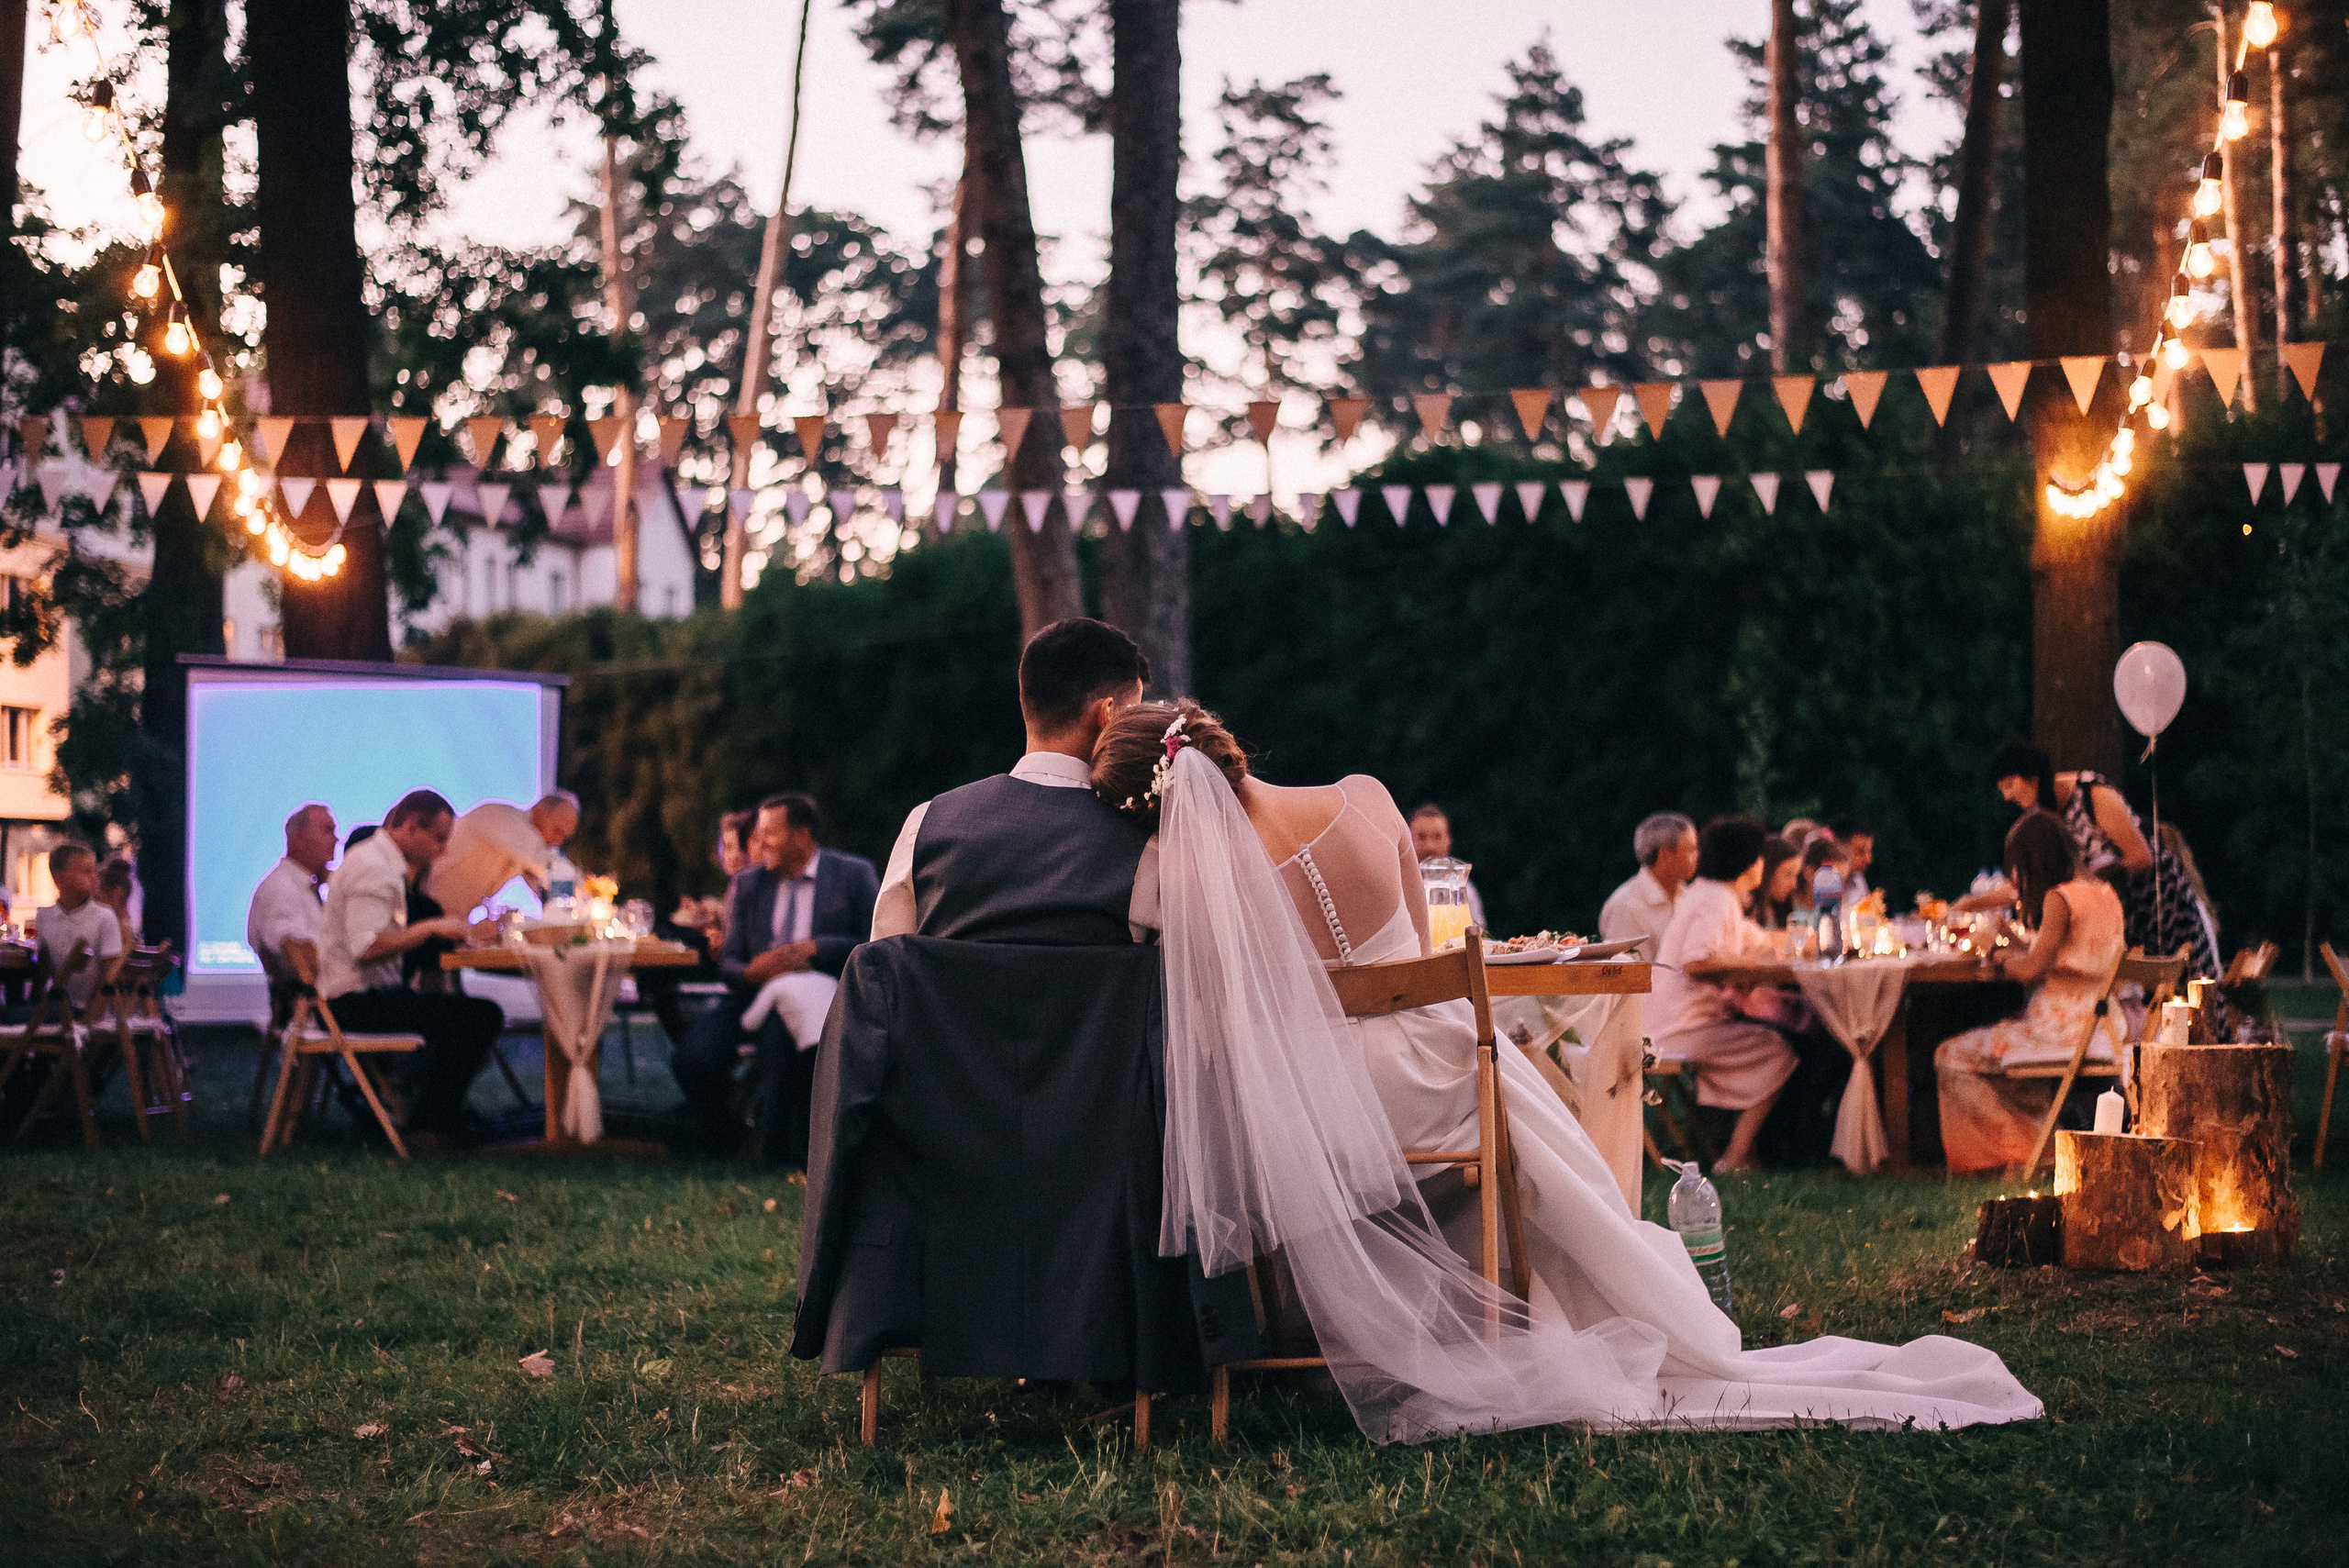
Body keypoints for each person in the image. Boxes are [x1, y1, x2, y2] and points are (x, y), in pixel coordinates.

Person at [1088, 701, 2042, 1441]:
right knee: (1503, 1074)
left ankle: (1396, 1326)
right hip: (1437, 1081)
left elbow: (1219, 1019)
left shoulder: (1190, 887)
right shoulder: (1365, 797)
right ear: (1221, 742)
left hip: (1326, 1124)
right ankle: (1537, 1297)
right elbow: (1424, 955)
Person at [871, 617, 1153, 945]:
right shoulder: (1142, 844)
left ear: (1024, 701)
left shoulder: (924, 826)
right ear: (1106, 713)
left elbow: (886, 968)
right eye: (1133, 712)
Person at [671, 793, 877, 1162]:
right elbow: (730, 963)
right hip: (753, 996)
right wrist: (751, 971)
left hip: (821, 999)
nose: (758, 843)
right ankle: (726, 1139)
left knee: (780, 1048)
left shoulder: (852, 875)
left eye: (769, 833)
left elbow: (877, 945)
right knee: (692, 1057)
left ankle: (779, 1149)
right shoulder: (748, 885)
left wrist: (816, 949)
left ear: (801, 836)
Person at [1934, 811, 2126, 1173]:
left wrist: (1993, 950)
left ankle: (2029, 1150)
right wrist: (2012, 939)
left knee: (1949, 1055)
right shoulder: (2104, 893)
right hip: (2102, 1027)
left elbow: (2033, 969)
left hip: (2059, 1031)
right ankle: (2037, 1144)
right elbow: (2063, 955)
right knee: (1998, 1064)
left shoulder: (2060, 897)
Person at [317, 789, 504, 1151]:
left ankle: (432, 1119)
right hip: (353, 1002)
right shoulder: (373, 868)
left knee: (465, 1014)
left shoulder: (380, 864)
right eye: (439, 838)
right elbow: (366, 947)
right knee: (480, 1016)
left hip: (366, 996)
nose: (444, 850)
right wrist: (431, 928)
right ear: (412, 826)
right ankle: (430, 1128)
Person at [1979, 740, 2217, 981]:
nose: (2007, 796)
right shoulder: (2043, 813)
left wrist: (2089, 886)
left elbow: (2141, 856)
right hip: (2115, 912)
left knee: (2181, 985)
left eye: (2009, 785)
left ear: (2031, 774)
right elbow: (2031, 878)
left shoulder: (2092, 793)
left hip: (2155, 901)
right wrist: (1973, 904)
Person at [1646, 817, 1800, 1170]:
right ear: (1749, 862)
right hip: (1679, 1028)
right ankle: (1735, 1157)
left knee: (1774, 1038)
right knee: (1779, 1049)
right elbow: (1697, 961)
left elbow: (1756, 939)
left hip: (1669, 1020)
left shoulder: (1711, 894)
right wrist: (1747, 972)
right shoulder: (1716, 900)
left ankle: (1743, 1150)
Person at [423, 790, 582, 922]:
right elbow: (548, 866)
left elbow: (541, 882)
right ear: (540, 811)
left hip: (447, 919)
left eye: (564, 837)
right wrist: (589, 888)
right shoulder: (504, 819)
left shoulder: (522, 848)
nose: (558, 842)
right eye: (557, 831)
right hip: (424, 907)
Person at [36, 842, 126, 1016]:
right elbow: (43, 972)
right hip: (60, 1008)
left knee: (8, 1016)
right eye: (87, 871)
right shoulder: (44, 917)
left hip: (92, 1012)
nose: (95, 877)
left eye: (94, 870)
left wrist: (90, 1014)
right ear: (60, 879)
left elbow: (109, 977)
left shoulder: (104, 917)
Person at [1598, 812, 1697, 953]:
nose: (1698, 856)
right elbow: (1629, 971)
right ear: (1665, 855)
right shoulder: (1626, 906)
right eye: (1691, 850)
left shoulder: (1688, 896)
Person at [1408, 805, 1486, 930]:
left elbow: (1478, 935)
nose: (1430, 846)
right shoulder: (1399, 888)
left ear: (1448, 839)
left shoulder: (1465, 890)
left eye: (1437, 836)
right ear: (1409, 840)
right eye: (1421, 837)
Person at [1751, 834, 1800, 929]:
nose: (1794, 885)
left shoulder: (1784, 909)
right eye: (1788, 875)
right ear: (1767, 873)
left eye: (1796, 876)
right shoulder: (1746, 908)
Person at [95, 857, 142, 951]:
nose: (92, 903)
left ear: (116, 895)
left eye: (96, 897)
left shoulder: (118, 933)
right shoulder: (129, 932)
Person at [1831, 818, 1876, 909]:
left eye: (1869, 852)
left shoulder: (1859, 881)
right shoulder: (1823, 884)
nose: (1868, 860)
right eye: (1860, 852)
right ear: (1839, 849)